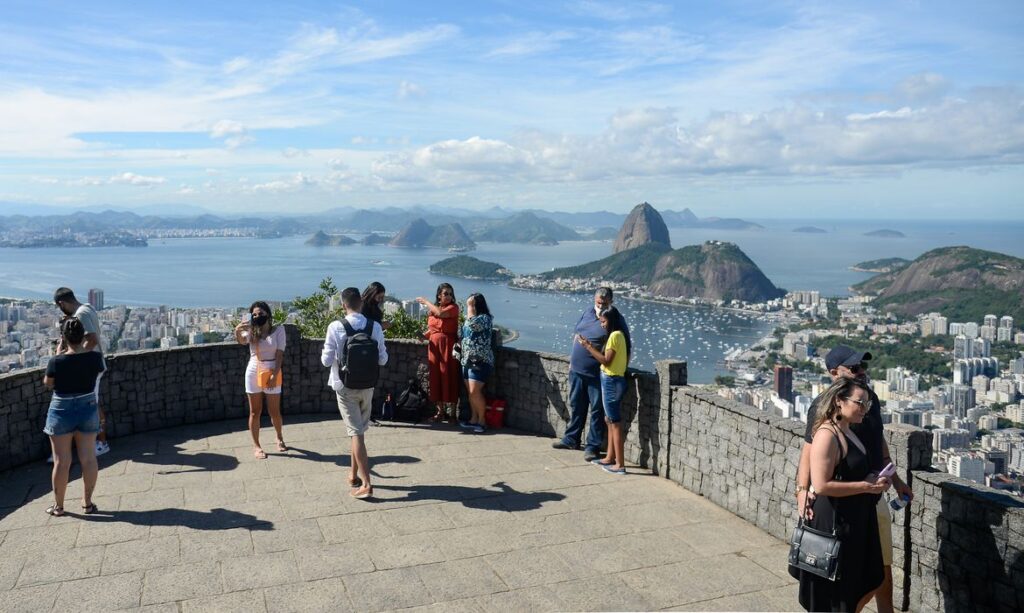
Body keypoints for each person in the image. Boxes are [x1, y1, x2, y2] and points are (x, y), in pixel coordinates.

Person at [795, 345, 914, 613]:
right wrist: (802, 490)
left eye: (863, 367)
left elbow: (879, 444)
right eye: (854, 368)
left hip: (872, 495)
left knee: (880, 568)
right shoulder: (824, 409)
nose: (862, 372)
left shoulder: (867, 402)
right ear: (834, 373)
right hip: (846, 500)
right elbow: (808, 452)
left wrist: (897, 481)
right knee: (852, 574)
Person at [797, 377, 888, 612]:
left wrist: (877, 481)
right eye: (860, 403)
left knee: (862, 584)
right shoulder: (827, 434)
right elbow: (822, 484)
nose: (865, 409)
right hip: (835, 523)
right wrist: (865, 487)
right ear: (839, 401)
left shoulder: (849, 430)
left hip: (854, 519)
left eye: (867, 404)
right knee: (835, 594)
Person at [321, 287, 388, 499]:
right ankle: (352, 474)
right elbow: (383, 359)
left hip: (345, 386)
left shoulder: (336, 326)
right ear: (360, 303)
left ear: (343, 305)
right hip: (368, 386)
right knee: (357, 431)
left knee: (356, 433)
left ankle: (367, 484)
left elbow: (325, 360)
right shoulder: (374, 326)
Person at [552, 287, 631, 462]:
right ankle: (571, 438)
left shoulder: (615, 319)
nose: (600, 306)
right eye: (598, 302)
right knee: (576, 406)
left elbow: (626, 346)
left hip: (598, 374)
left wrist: (620, 371)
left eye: (604, 303)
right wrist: (573, 361)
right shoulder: (587, 312)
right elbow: (577, 334)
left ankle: (592, 447)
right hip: (578, 371)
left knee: (597, 410)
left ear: (611, 302)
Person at [42, 317, 106, 516]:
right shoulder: (94, 358)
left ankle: (59, 506)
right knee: (88, 458)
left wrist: (59, 354)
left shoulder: (57, 361)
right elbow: (96, 372)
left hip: (62, 408)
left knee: (62, 461)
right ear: (82, 335)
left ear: (63, 337)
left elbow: (48, 383)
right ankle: (87, 503)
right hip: (87, 405)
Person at [53, 287, 110, 457]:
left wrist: (74, 356)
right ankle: (98, 441)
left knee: (92, 404)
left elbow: (91, 340)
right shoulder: (87, 307)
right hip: (93, 364)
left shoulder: (81, 314)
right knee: (92, 402)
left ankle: (101, 442)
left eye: (59, 306)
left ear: (62, 303)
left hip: (90, 366)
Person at [576, 306, 631, 474]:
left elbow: (606, 361)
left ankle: (619, 465)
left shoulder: (614, 336)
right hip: (615, 380)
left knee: (614, 423)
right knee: (609, 420)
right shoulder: (620, 336)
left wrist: (587, 346)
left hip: (611, 381)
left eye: (604, 321)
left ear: (611, 321)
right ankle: (609, 458)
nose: (602, 325)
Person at [233, 301, 287, 459]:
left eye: (261, 313)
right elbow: (242, 341)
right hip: (253, 371)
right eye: (255, 314)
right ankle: (257, 446)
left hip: (272, 371)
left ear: (268, 315)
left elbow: (279, 354)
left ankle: (279, 437)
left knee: (274, 411)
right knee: (255, 411)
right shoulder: (252, 331)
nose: (258, 316)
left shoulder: (279, 330)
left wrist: (274, 374)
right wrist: (237, 331)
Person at [417, 283, 460, 423]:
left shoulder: (453, 308)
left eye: (450, 293)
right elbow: (433, 329)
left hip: (448, 346)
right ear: (439, 295)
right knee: (436, 377)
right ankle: (440, 411)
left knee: (450, 376)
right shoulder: (435, 309)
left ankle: (453, 413)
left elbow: (441, 314)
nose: (448, 296)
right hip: (435, 347)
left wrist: (426, 302)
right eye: (445, 293)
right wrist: (423, 336)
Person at [458, 293, 494, 434]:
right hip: (467, 359)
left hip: (480, 360)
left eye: (472, 304)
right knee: (470, 392)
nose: (469, 307)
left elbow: (474, 325)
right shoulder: (468, 319)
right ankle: (473, 419)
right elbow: (463, 334)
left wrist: (469, 308)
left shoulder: (485, 318)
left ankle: (482, 421)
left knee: (475, 391)